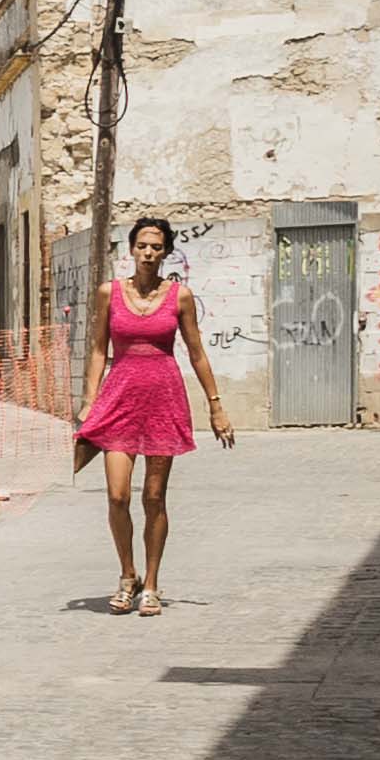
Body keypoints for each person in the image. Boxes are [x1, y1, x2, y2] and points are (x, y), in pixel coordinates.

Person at [75, 215, 231, 614]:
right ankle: (128, 575)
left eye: (156, 247)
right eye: (142, 245)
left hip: (163, 399)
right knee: (117, 495)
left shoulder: (179, 296)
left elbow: (196, 352)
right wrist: (89, 400)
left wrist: (215, 405)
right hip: (119, 399)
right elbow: (97, 349)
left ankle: (152, 584)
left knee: (154, 497)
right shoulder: (108, 293)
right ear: (130, 249)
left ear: (166, 252)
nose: (148, 253)